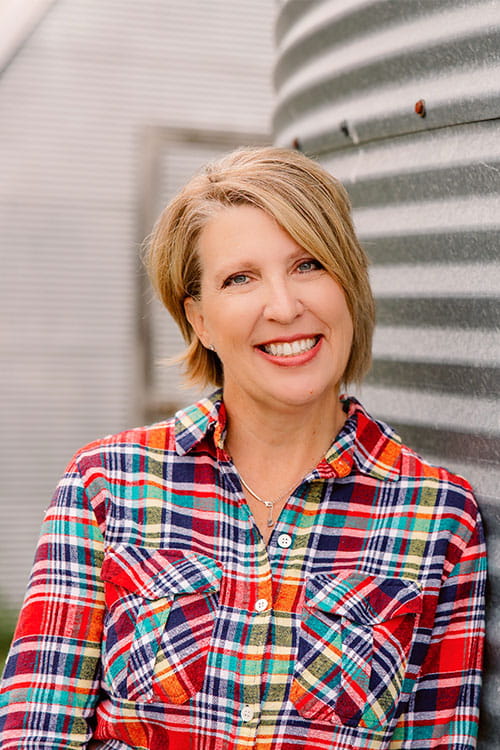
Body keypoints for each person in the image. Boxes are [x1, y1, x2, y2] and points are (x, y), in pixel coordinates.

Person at [0, 147, 486, 750]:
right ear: (198, 318)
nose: (284, 307)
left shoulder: (440, 515)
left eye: (309, 265)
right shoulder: (106, 484)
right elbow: (34, 734)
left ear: (349, 285)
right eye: (240, 278)